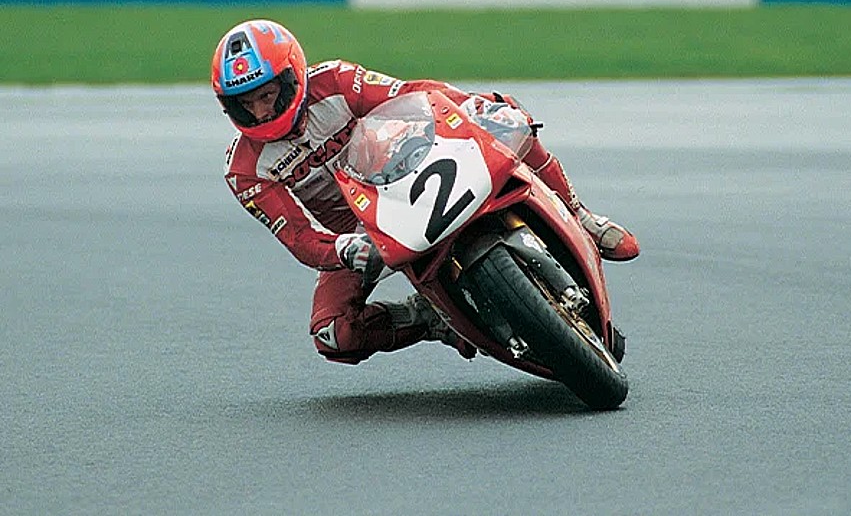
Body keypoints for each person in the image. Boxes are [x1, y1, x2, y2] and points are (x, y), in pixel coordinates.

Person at [212, 19, 639, 364]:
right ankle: (430, 318)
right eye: (245, 104)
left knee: (504, 110)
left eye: (267, 95)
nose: (260, 112)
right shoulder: (243, 170)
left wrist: (467, 104)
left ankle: (578, 213)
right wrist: (344, 249)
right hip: (362, 235)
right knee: (333, 334)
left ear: (292, 77)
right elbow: (299, 237)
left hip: (405, 174)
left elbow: (412, 93)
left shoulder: (337, 81)